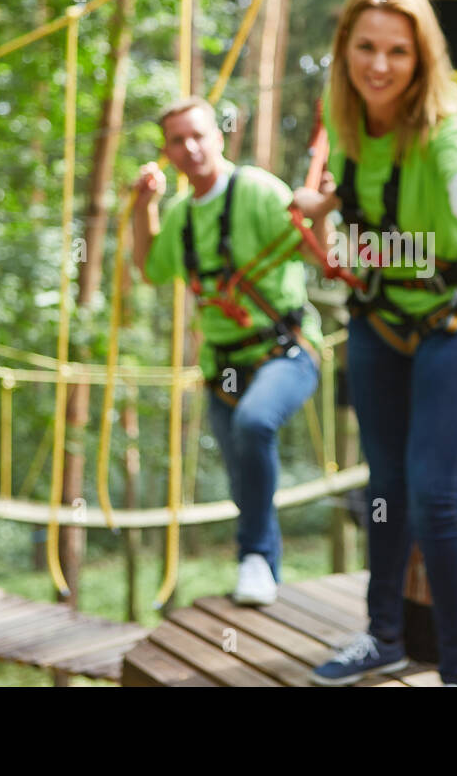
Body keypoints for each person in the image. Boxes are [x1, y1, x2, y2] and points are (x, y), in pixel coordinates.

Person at [292, 0, 457, 687]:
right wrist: (323, 200)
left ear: (421, 58)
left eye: (397, 52)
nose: (379, 65)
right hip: (378, 318)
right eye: (366, 48)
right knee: (386, 484)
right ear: (345, 51)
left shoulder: (447, 124)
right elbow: (363, 180)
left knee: (437, 492)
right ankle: (383, 636)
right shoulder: (345, 121)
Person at [132, 96, 322, 607]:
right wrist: (142, 207)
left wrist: (319, 205)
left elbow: (312, 248)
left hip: (286, 353)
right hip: (223, 367)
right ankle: (266, 573)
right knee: (242, 473)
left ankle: (252, 557)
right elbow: (150, 268)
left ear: (219, 136)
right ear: (168, 153)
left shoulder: (257, 190)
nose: (190, 147)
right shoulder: (181, 216)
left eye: (198, 135)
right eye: (177, 140)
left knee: (254, 425)